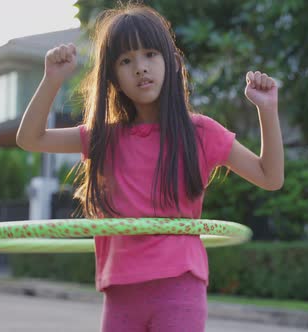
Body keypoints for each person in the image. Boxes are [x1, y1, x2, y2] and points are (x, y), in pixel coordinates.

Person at [16, 3, 284, 332]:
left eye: (150, 55)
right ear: (113, 78)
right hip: (121, 293)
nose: (141, 68)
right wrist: (52, 79)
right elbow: (30, 138)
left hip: (179, 288)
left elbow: (270, 178)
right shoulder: (104, 137)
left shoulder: (200, 132)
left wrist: (267, 111)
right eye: (126, 61)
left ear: (172, 63)